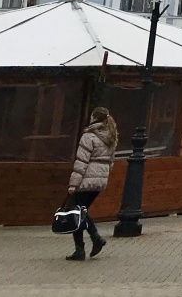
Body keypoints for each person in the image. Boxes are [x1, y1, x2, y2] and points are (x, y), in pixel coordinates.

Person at [65, 107, 117, 260]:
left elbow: (81, 162)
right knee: (81, 212)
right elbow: (111, 161)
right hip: (100, 180)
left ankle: (92, 241)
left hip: (86, 179)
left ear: (94, 118)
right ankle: (85, 246)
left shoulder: (89, 136)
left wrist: (73, 184)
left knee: (77, 212)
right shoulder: (110, 136)